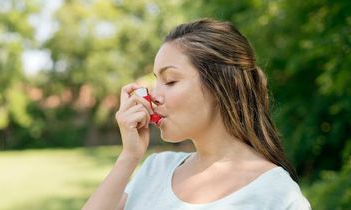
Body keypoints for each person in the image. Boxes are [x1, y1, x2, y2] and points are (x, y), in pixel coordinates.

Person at [82, 18, 311, 210]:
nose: (153, 96)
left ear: (222, 85)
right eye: (156, 81)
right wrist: (129, 156)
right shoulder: (155, 169)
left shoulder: (277, 194)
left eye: (170, 81)